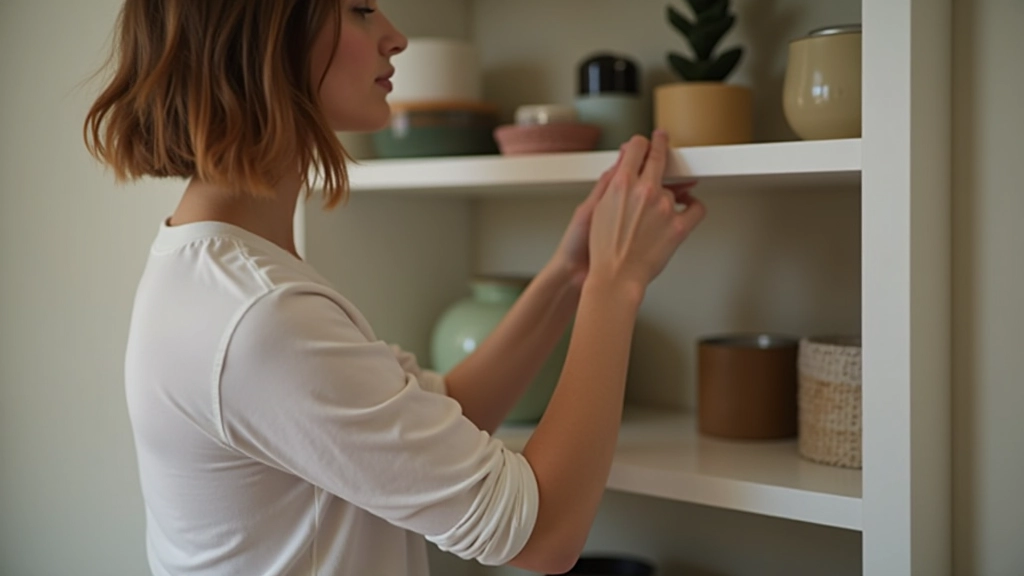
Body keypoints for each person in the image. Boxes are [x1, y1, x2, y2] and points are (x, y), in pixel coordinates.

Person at [83, 1, 706, 575]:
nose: (395, 36)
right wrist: (615, 283)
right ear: (266, 40)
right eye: (357, 10)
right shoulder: (259, 317)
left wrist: (571, 275)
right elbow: (543, 534)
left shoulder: (224, 272)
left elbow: (445, 410)